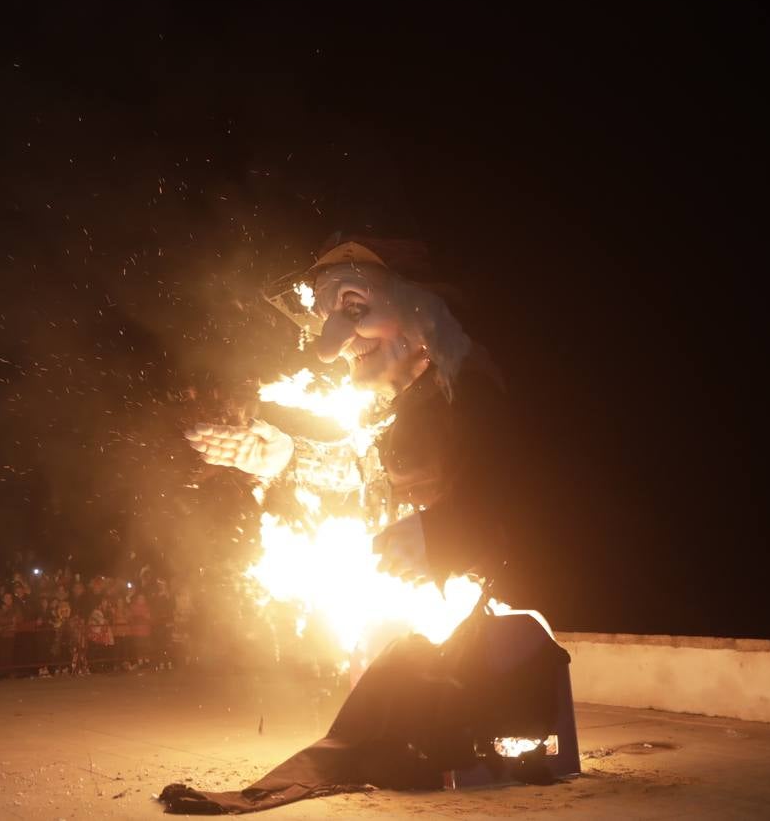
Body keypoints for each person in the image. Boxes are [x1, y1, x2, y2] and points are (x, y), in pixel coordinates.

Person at [165, 233, 558, 814]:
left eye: (353, 309)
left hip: (481, 607)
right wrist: (285, 457)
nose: (330, 344)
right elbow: (362, 470)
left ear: (418, 303)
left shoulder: (472, 389)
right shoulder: (403, 407)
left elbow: (515, 493)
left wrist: (442, 531)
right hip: (423, 598)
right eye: (326, 318)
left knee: (411, 677)